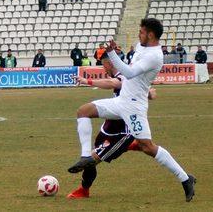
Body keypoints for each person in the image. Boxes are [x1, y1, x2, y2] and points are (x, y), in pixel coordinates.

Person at [68, 18, 196, 202]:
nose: (139, 34)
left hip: (134, 107)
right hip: (122, 101)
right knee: (83, 111)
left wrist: (111, 54)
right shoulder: (141, 46)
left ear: (151, 35)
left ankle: (185, 178)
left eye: (142, 32)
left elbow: (128, 73)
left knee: (148, 146)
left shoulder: (155, 56)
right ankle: (86, 156)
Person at [67, 53, 150, 199]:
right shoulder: (126, 74)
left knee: (92, 159)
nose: (103, 68)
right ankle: (132, 146)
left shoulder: (122, 74)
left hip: (122, 133)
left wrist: (87, 81)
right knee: (90, 159)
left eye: (103, 64)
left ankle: (84, 190)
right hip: (109, 128)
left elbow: (114, 83)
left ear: (108, 63)